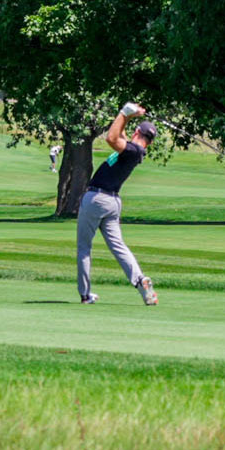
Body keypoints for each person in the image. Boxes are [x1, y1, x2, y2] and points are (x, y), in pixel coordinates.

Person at [76, 102, 160, 306]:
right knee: (118, 247)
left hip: (97, 198)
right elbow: (120, 133)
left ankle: (85, 294)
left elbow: (111, 138)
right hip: (112, 202)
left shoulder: (132, 151)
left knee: (84, 248)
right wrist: (129, 116)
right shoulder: (135, 150)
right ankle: (140, 280)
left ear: (137, 133)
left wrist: (124, 112)